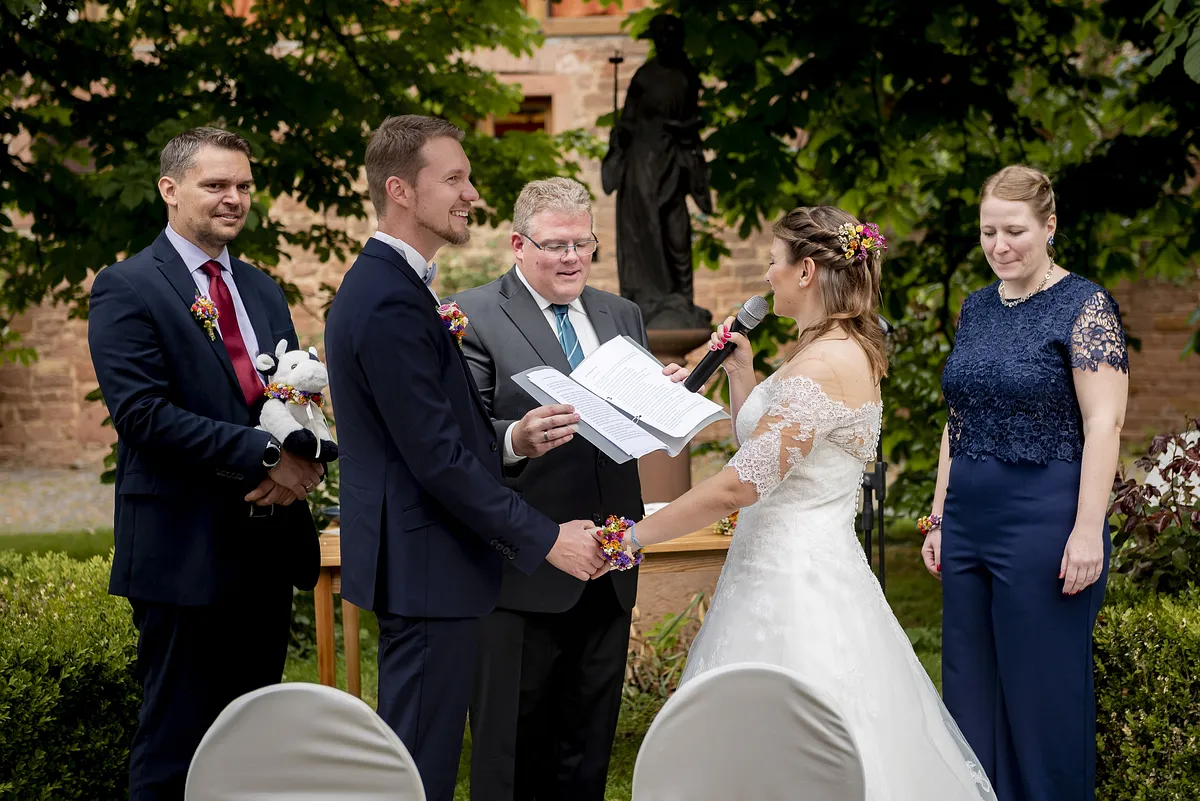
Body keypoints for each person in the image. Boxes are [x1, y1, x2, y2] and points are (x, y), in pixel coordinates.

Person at [617, 206, 996, 799]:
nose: (767, 275)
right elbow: (770, 449)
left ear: (806, 271)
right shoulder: (824, 350)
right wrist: (741, 373)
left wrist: (634, 536)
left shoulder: (823, 365)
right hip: (779, 561)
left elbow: (741, 484)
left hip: (794, 581)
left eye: (773, 261)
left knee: (791, 743)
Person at [322, 116, 604, 801]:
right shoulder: (388, 298)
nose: (471, 194)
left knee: (426, 758)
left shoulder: (401, 285)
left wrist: (510, 440)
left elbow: (442, 430)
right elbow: (436, 459)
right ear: (400, 190)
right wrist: (546, 538)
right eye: (454, 179)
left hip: (432, 566)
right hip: (425, 567)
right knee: (419, 769)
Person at [87, 127, 325, 801]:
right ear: (170, 189)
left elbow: (289, 396)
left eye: (243, 185)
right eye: (215, 184)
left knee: (252, 745)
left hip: (267, 547)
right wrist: (267, 456)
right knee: (175, 746)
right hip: (183, 545)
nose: (234, 198)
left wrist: (306, 458)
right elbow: (143, 416)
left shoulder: (262, 289)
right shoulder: (127, 286)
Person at [922, 165, 1129, 801]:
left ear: (1049, 226)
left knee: (1042, 700)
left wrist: (1088, 530)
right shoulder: (976, 308)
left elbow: (1104, 422)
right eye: (989, 231)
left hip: (1045, 522)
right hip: (968, 523)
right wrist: (938, 517)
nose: (1000, 245)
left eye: (1015, 230)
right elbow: (958, 419)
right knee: (969, 697)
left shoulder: (1085, 306)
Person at [449, 177, 650, 801]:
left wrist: (663, 398)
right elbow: (456, 437)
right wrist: (515, 438)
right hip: (522, 565)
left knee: (587, 749)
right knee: (514, 754)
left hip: (609, 563)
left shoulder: (622, 314)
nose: (572, 258)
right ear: (518, 244)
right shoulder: (471, 314)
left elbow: (630, 424)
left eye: (582, 244)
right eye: (555, 245)